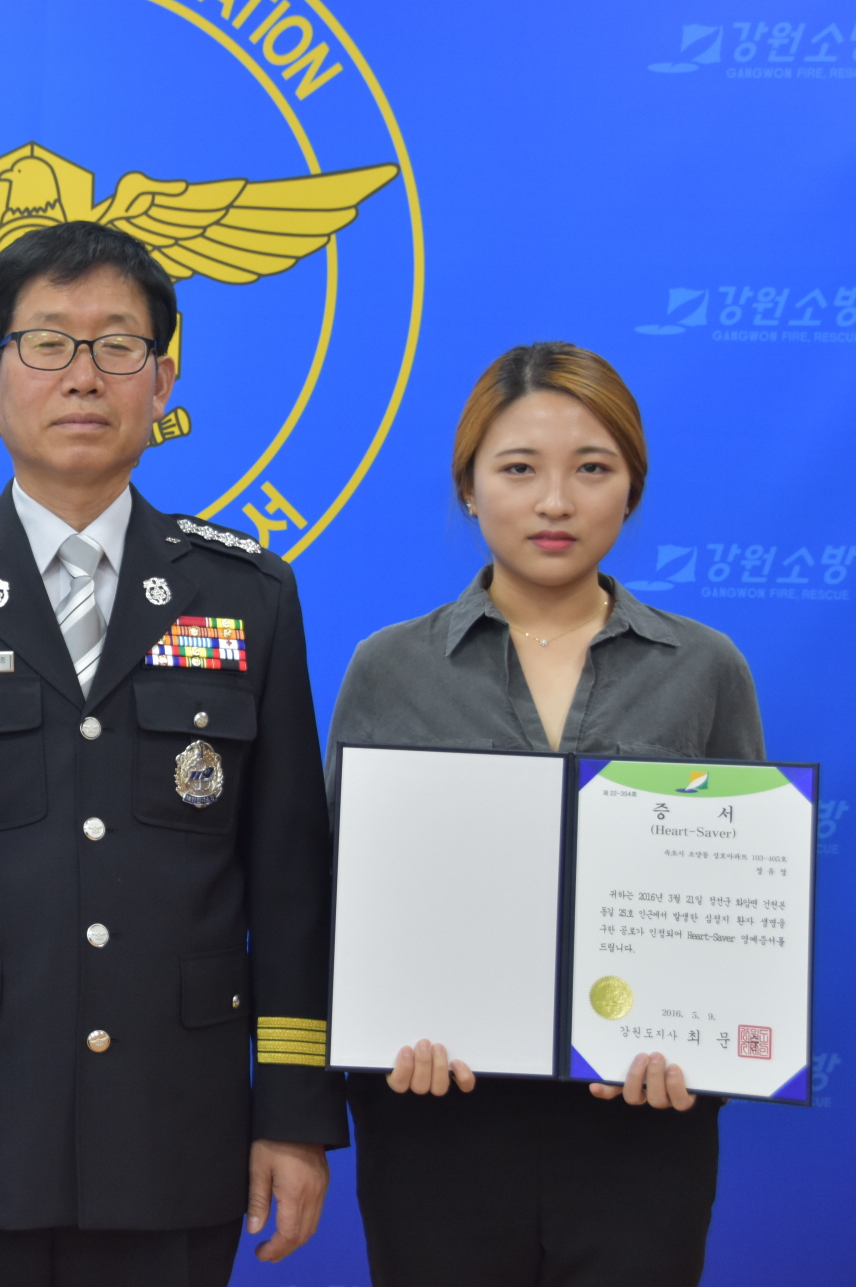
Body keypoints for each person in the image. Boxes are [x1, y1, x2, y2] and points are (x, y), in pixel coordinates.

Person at [0, 220, 338, 1287]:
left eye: (118, 346)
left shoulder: (249, 595)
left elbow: (290, 886)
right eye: (47, 343)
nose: (83, 376)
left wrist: (292, 1112)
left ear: (163, 379)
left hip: (175, 1127)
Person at [325, 341, 765, 1286]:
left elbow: (740, 911)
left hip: (642, 1123)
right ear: (469, 488)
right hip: (435, 1119)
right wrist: (376, 1034)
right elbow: (338, 895)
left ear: (632, 489)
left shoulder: (705, 668)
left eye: (592, 469)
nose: (556, 502)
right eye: (519, 469)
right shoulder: (389, 667)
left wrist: (699, 1052)